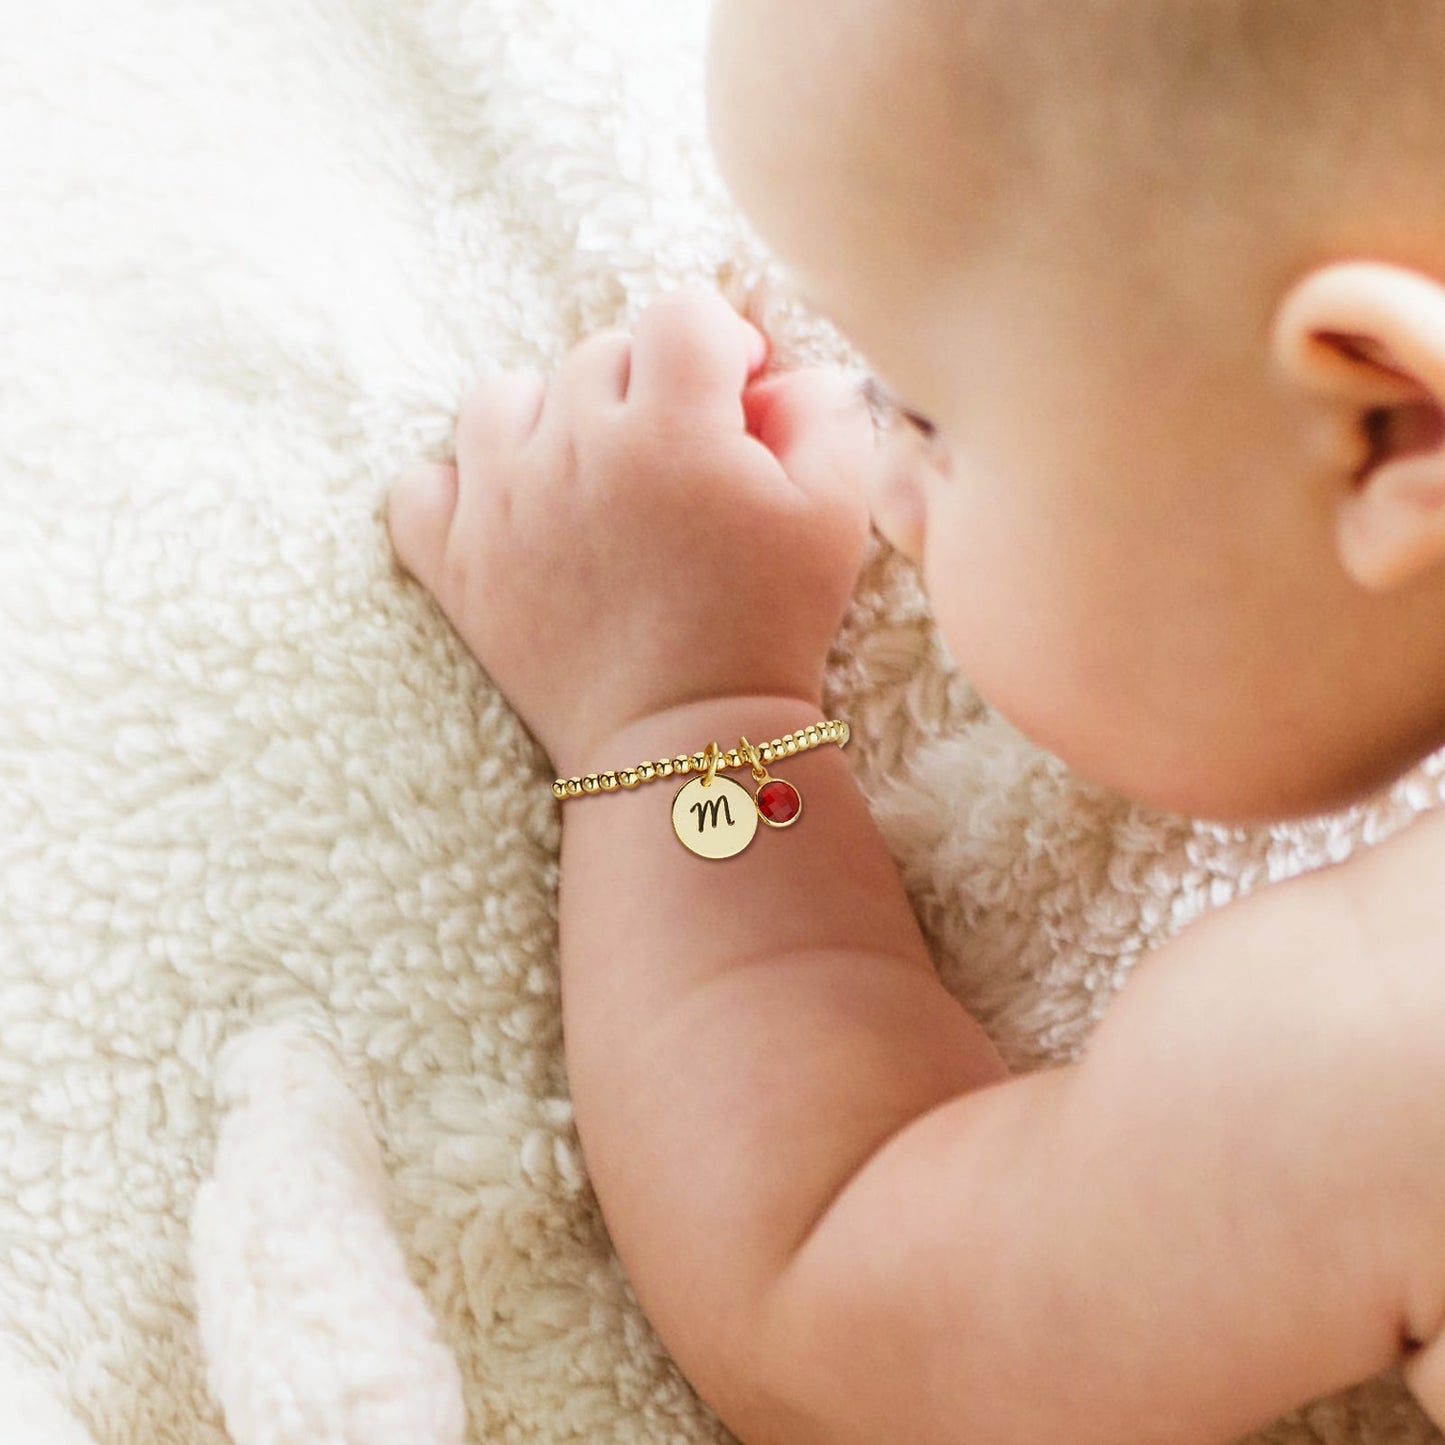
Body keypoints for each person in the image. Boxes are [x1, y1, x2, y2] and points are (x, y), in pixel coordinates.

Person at [385, 0, 1445, 1439]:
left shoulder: (1385, 1039)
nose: (884, 473)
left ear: (1387, 428)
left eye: (924, 407)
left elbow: (835, 1306)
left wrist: (682, 703)